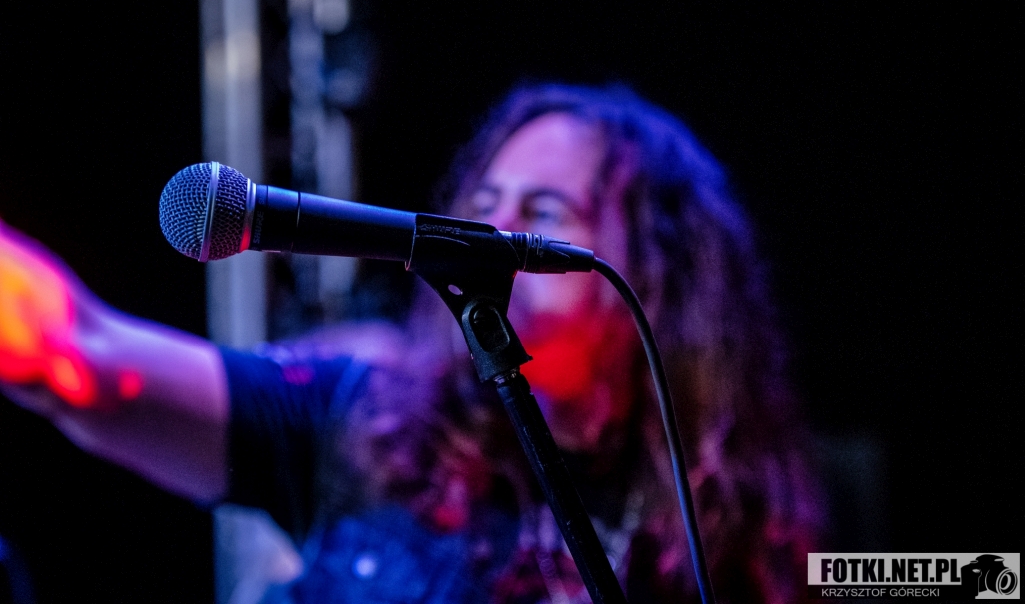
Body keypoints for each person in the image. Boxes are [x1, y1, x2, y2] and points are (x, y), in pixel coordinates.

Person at [0, 83, 822, 603]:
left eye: (541, 211)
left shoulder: (726, 528)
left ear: (654, 272)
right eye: (484, 201)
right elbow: (82, 356)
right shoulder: (364, 422)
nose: (493, 227)